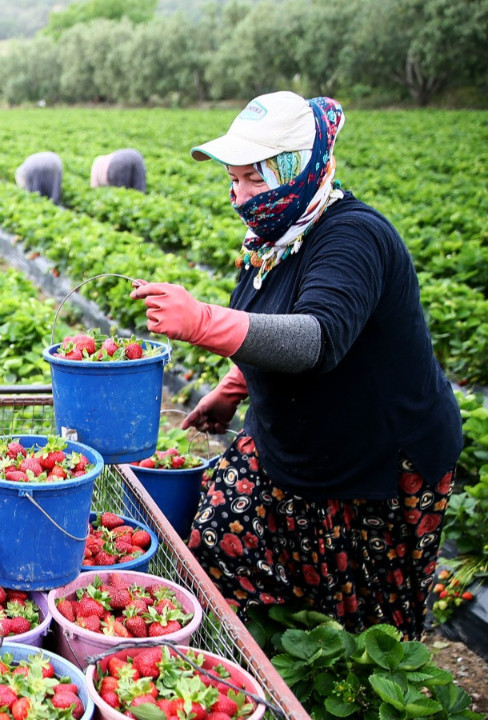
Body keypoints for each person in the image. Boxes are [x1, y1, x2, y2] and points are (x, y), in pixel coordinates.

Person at [130, 91, 461, 639]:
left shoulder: (354, 237)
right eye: (233, 179)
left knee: (362, 628)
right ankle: (250, 657)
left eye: (254, 179)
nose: (240, 195)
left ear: (298, 169)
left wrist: (202, 320)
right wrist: (234, 387)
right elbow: (272, 316)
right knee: (217, 541)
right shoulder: (274, 238)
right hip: (290, 436)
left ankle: (323, 674)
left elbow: (316, 338)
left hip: (375, 460)